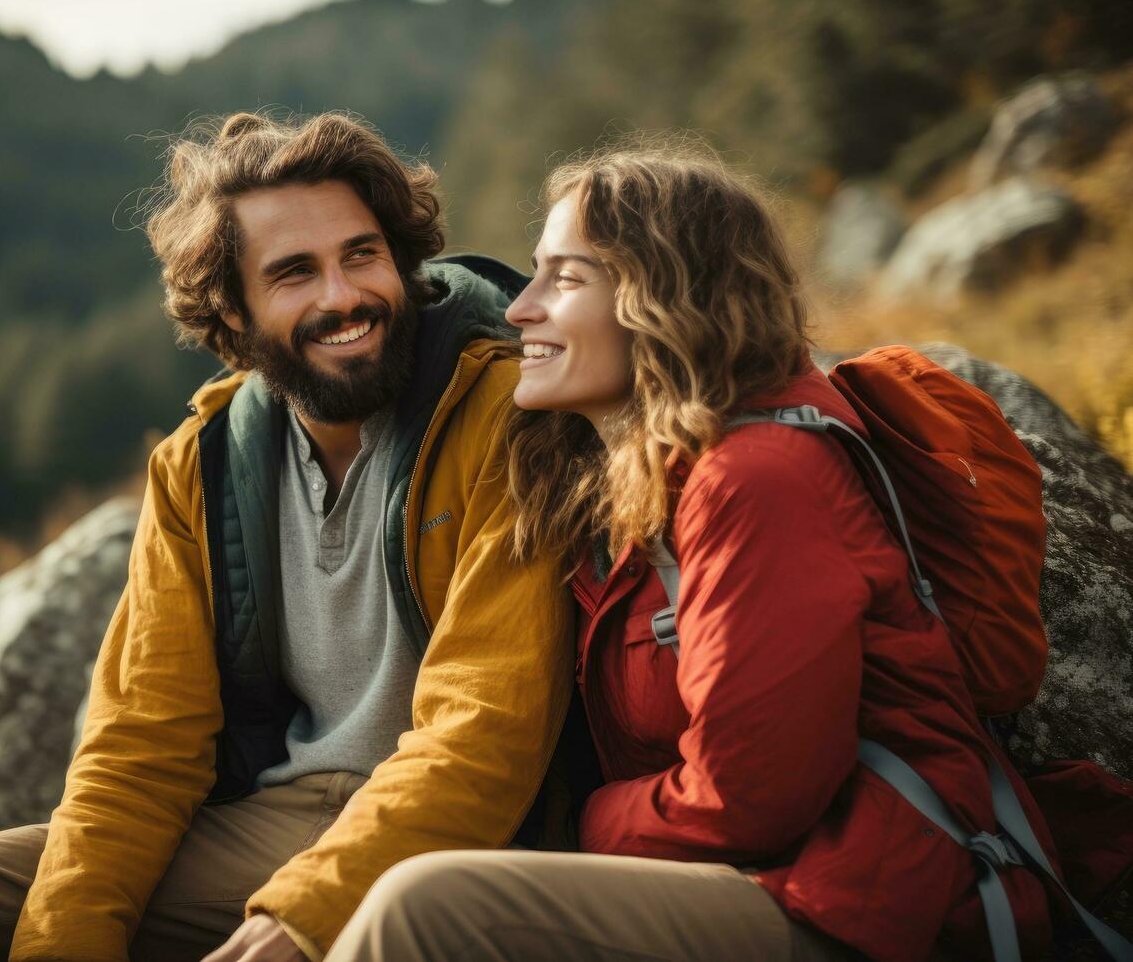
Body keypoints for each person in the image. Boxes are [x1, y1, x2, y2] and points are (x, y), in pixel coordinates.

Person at [0, 112, 573, 962]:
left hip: (453, 832)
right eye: (292, 274)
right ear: (233, 318)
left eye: (362, 253)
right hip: (267, 821)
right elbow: (139, 746)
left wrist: (298, 921)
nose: (342, 296)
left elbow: (487, 731)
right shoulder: (198, 467)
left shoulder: (506, 414)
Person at [324, 142, 1064, 961]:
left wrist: (584, 823)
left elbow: (753, 795)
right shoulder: (626, 487)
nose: (521, 309)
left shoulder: (756, 479)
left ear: (665, 298)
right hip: (752, 878)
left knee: (429, 908)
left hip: (864, 905)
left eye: (565, 280)